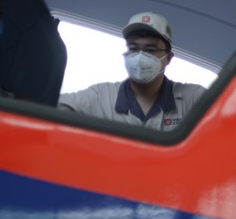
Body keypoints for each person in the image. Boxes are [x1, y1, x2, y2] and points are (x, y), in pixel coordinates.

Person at [58, 12, 207, 131]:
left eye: (150, 50)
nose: (139, 57)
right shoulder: (100, 96)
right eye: (133, 48)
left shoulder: (193, 98)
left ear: (168, 58)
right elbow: (49, 107)